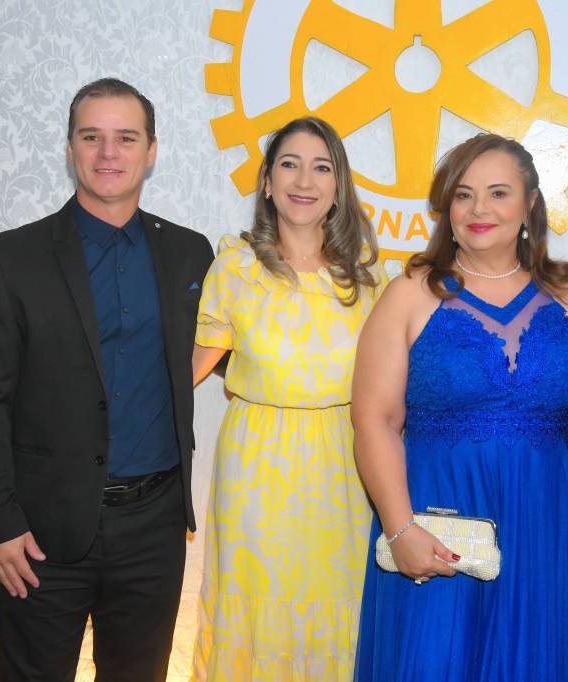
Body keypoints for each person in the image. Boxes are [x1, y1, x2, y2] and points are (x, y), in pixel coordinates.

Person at [0, 77, 214, 682]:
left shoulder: (191, 254)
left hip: (153, 531)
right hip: (39, 533)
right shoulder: (9, 258)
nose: (108, 153)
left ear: (152, 151)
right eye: (92, 136)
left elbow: (243, 342)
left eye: (127, 137)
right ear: (70, 148)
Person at [352, 133, 568, 681]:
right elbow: (374, 420)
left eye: (498, 193)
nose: (479, 209)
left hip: (544, 522)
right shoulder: (411, 293)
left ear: (530, 203)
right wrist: (399, 529)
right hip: (438, 524)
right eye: (464, 195)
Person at [190, 117, 385, 680]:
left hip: (344, 466)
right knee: (256, 609)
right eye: (290, 165)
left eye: (321, 167)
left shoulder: (369, 278)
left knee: (338, 609)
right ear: (267, 182)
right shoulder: (234, 267)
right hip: (256, 468)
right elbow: (186, 372)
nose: (305, 180)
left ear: (338, 186)